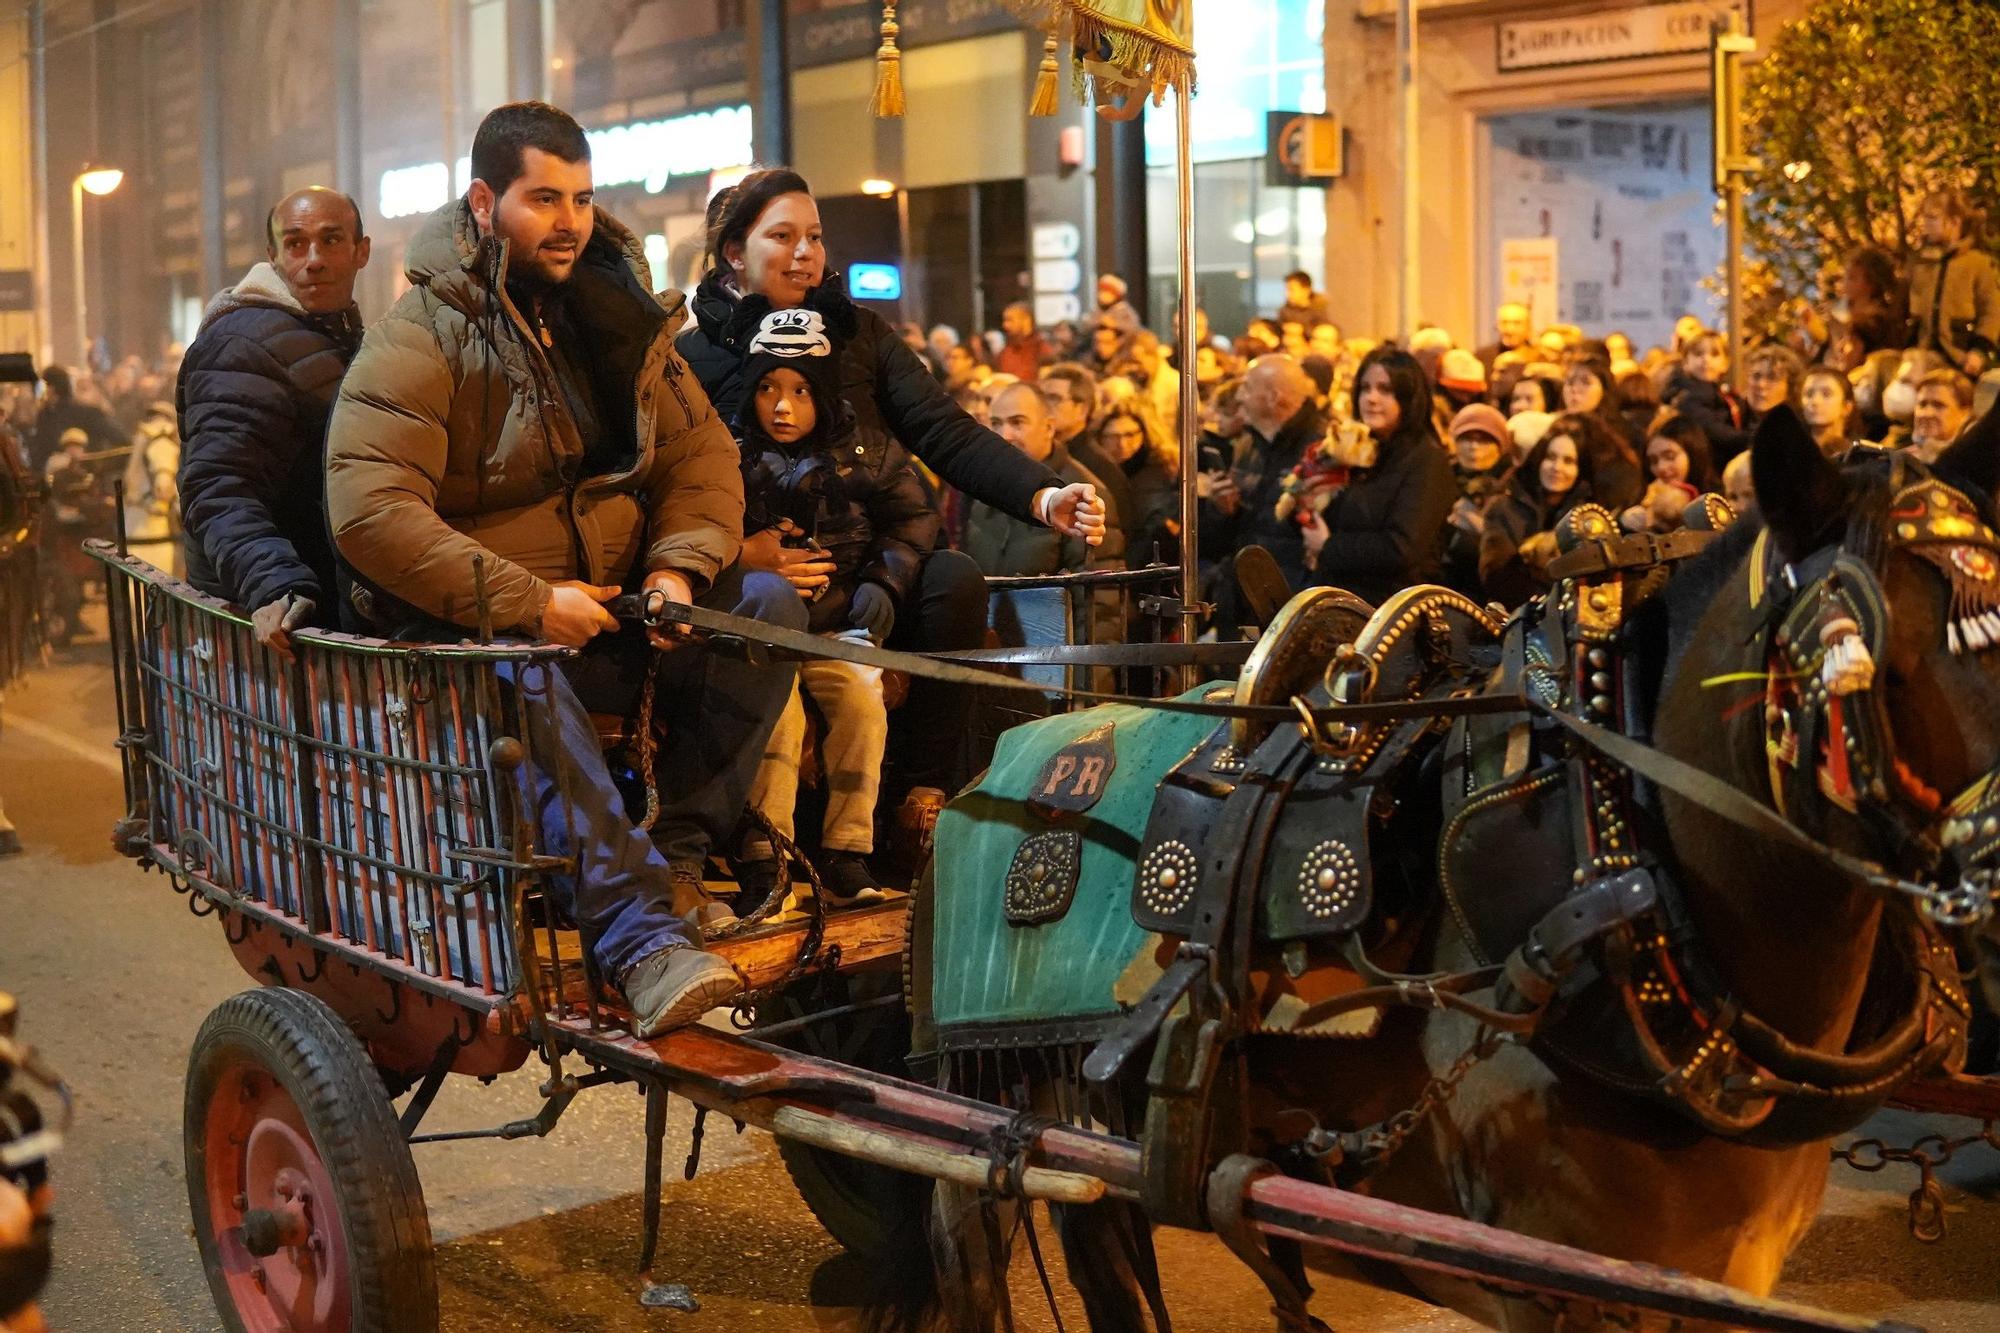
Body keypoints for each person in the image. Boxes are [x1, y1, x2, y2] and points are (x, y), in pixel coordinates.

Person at [326, 101, 774, 1035]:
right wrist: (532, 603)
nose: (569, 221)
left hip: (620, 608)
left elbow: (704, 460)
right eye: (543, 199)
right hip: (477, 633)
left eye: (580, 198)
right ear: (486, 203)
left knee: (764, 602)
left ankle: (680, 858)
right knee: (515, 665)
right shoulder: (422, 332)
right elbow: (368, 510)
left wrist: (680, 572)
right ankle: (640, 938)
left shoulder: (616, 315)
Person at [677, 168, 1104, 798]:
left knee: (953, 577)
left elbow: (945, 431)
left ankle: (921, 795)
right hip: (754, 574)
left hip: (868, 571)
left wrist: (1043, 495)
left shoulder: (862, 337)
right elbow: (672, 480)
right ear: (735, 254)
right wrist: (736, 554)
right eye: (783, 236)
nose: (805, 253)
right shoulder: (695, 356)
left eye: (815, 237)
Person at [728, 301, 918, 906]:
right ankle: (767, 856)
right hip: (762, 638)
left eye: (801, 391)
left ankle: (848, 851)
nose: (782, 407)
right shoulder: (727, 454)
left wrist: (884, 583)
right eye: (768, 388)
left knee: (862, 698)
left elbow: (912, 519)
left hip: (837, 625)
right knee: (777, 715)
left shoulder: (868, 453)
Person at [177, 187, 371, 657]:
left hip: (323, 613)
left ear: (361, 251)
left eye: (331, 240)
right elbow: (219, 484)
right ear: (273, 256)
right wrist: (271, 580)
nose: (314, 259)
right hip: (280, 625)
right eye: (296, 243)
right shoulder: (244, 342)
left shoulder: (333, 337)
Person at [1298, 346, 1457, 606]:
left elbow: (1402, 548)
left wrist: (1329, 546)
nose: (1371, 398)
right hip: (1338, 596)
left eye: (1385, 390)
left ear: (1408, 398)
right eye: (1365, 388)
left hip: (1390, 608)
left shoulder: (1426, 459)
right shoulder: (1355, 449)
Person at [964, 383, 1122, 577]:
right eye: (996, 423)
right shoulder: (984, 484)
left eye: (1017, 422)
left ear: (1049, 427)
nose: (1004, 436)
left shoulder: (1082, 493)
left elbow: (1098, 593)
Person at [1199, 355, 1321, 593]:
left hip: (1291, 597)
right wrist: (1221, 509)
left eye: (1247, 387)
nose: (1239, 396)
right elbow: (1233, 533)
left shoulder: (1318, 451)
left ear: (1274, 398)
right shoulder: (1249, 446)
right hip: (1246, 591)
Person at [1480, 418, 1598, 608]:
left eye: (1568, 461)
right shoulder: (1504, 507)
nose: (1557, 467)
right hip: (1515, 617)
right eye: (1550, 457)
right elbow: (1495, 574)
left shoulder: (1588, 517)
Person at [1905, 188, 2000, 376]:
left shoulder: (1978, 264)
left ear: (1954, 222)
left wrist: (1979, 352)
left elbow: (1991, 313)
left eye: (1932, 219)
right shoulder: (1919, 263)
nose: (1925, 225)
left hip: (1960, 355)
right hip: (1922, 355)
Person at [1085, 398, 1178, 563]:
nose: (1122, 444)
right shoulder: (1096, 472)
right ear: (1100, 437)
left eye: (1130, 434)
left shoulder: (1158, 470)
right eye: (1112, 436)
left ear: (1144, 433)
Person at [1439, 402, 1514, 597]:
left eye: (1484, 440)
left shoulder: (1512, 486)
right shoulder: (1440, 476)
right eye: (1466, 438)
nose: (1474, 446)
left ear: (1501, 446)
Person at [1661, 329, 1748, 465]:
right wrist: (1752, 439)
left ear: (1726, 363)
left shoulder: (1724, 394)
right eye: (1698, 354)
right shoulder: (1687, 397)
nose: (1706, 359)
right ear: (1685, 362)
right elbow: (1716, 432)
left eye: (1714, 354)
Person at [1620, 416, 1716, 533]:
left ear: (1692, 454)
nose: (1661, 468)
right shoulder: (1643, 503)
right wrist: (1625, 524)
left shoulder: (1716, 501)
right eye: (1654, 461)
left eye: (1670, 457)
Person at [27, 365, 120, 472]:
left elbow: (119, 439)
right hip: (55, 476)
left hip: (86, 475)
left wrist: (99, 465)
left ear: (51, 388)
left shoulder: (86, 413)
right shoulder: (44, 415)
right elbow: (40, 449)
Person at [1907, 368, 1976, 463]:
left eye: (1938, 405)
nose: (1927, 414)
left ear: (1965, 413)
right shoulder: (1897, 461)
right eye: (1922, 404)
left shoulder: (1976, 465)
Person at [1798, 365, 1859, 460]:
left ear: (1846, 407)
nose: (1815, 401)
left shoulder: (1859, 457)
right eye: (1809, 394)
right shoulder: (1788, 454)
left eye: (1826, 394)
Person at [995, 302, 1051, 380]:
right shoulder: (1005, 351)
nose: (1005, 325)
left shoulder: (1042, 349)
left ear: (1026, 320)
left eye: (1010, 320)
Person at [1476, 302, 1532, 374]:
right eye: (1504, 323)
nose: (1510, 329)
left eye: (1517, 323)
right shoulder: (1482, 358)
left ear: (1528, 327)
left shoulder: (1539, 358)